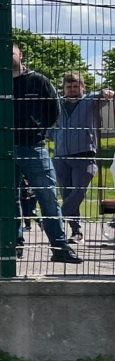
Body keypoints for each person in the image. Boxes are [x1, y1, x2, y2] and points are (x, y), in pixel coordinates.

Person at [0, 43, 81, 264]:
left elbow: (54, 110)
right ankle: (13, 245)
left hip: (33, 147)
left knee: (48, 197)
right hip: (2, 150)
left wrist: (36, 131)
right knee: (8, 200)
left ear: (20, 55)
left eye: (10, 52)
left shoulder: (39, 81)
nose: (6, 57)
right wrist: (0, 136)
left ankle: (59, 247)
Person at [54, 72, 113, 242]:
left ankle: (55, 219)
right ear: (64, 88)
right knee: (67, 193)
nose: (72, 90)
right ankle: (76, 231)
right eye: (68, 87)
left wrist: (106, 92)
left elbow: (102, 94)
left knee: (79, 191)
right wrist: (53, 135)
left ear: (82, 87)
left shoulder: (89, 101)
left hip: (84, 155)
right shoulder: (59, 103)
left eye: (75, 86)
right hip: (61, 156)